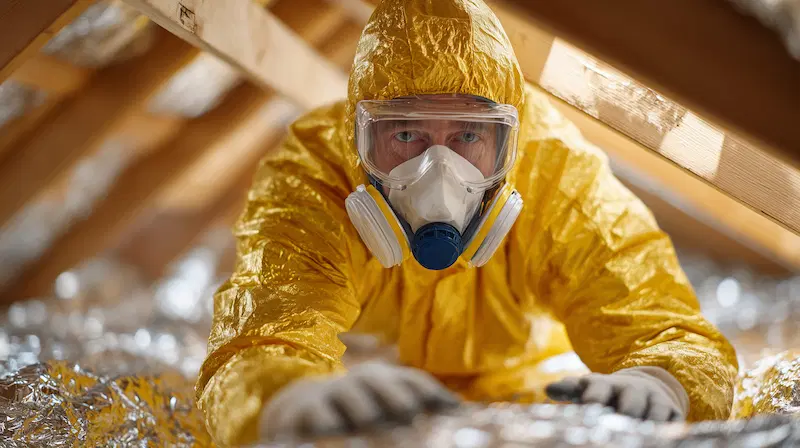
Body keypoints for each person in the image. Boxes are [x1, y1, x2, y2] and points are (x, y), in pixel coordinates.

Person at [195, 0, 738, 445]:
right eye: (405, 135)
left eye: (469, 136)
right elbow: (260, 336)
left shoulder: (556, 179)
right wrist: (284, 397)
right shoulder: (316, 177)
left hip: (520, 382)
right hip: (364, 382)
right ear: (359, 139)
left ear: (511, 142)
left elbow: (661, 321)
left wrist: (662, 379)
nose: (438, 174)